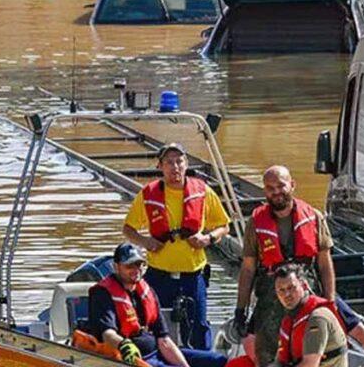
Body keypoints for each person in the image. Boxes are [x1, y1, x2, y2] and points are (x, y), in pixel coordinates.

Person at [122, 143, 230, 350]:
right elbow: (128, 229)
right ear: (160, 166)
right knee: (155, 327)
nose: (175, 167)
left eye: (179, 161)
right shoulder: (148, 194)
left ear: (186, 164)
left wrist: (208, 239)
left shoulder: (203, 192)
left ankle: (201, 361)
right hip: (158, 276)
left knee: (198, 328)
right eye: (169, 162)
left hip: (193, 275)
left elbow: (224, 226)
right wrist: (145, 241)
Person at [232, 166, 335, 367]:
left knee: (309, 350)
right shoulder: (255, 221)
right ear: (265, 191)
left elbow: (324, 263)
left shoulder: (314, 216)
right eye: (270, 188)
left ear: (292, 185)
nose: (276, 192)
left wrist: (330, 301)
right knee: (267, 355)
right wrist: (240, 309)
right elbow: (248, 268)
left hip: (306, 294)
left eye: (281, 186)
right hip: (270, 299)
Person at [85, 243, 228, 367]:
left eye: (139, 264)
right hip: (131, 358)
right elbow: (107, 334)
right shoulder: (102, 294)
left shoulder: (147, 291)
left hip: (158, 352)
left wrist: (184, 366)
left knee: (219, 361)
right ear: (116, 267)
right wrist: (125, 346)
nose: (136, 270)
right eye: (129, 266)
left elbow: (163, 339)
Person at [271, 264, 347, 367]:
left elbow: (310, 364)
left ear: (304, 285)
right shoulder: (290, 319)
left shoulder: (318, 317)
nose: (287, 295)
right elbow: (278, 362)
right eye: (281, 290)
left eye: (291, 288)